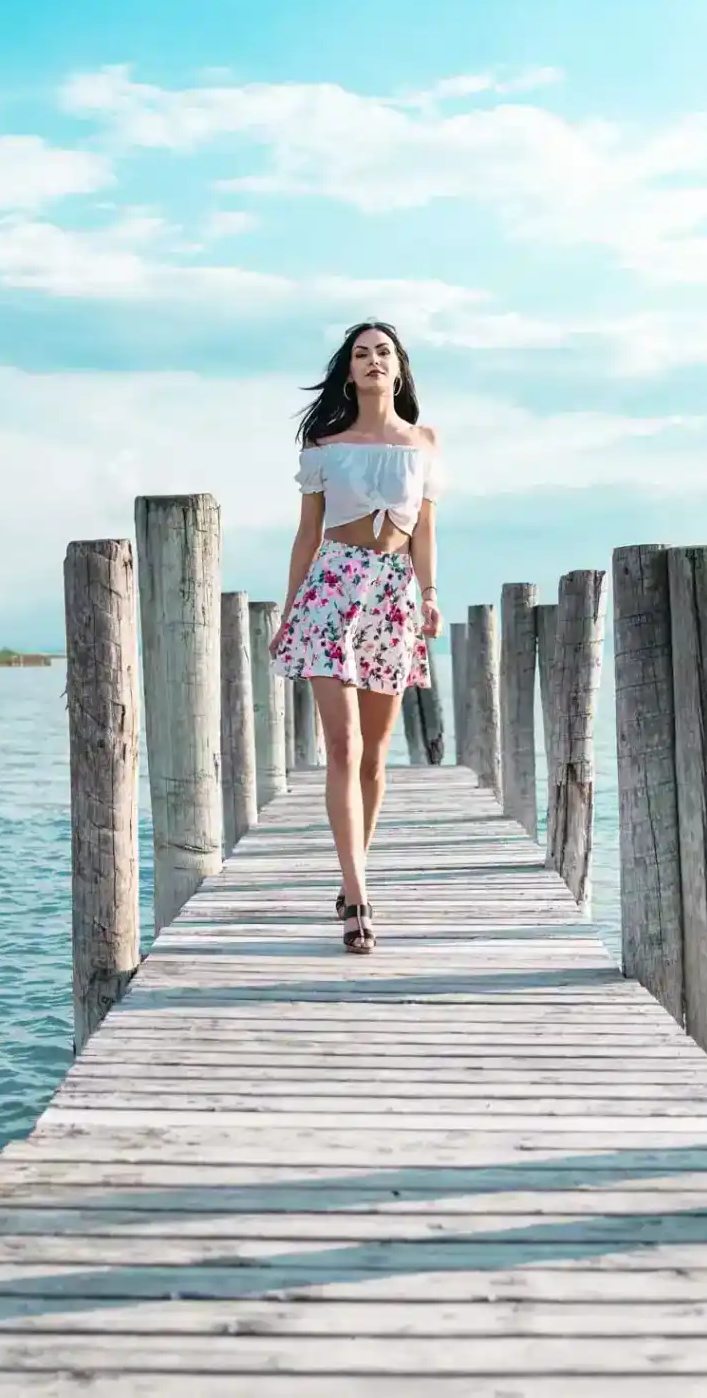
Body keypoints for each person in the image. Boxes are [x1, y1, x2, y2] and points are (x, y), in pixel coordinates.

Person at [270, 321, 443, 955]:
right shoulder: (324, 445)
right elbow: (306, 534)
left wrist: (428, 594)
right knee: (340, 746)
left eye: (383, 353)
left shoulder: (423, 443)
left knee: (374, 755)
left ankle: (353, 879)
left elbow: (424, 530)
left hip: (393, 595)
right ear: (348, 371)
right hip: (331, 591)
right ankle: (358, 895)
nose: (372, 361)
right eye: (361, 354)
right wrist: (291, 611)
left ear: (398, 369)